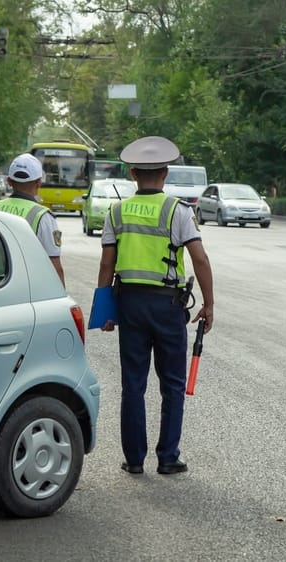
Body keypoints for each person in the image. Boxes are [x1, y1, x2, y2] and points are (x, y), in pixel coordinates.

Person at [97, 136, 214, 476]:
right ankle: (168, 457)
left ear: (133, 174)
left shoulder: (116, 212)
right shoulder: (177, 211)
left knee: (133, 384)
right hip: (167, 306)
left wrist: (105, 310)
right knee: (173, 383)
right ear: (165, 173)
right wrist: (209, 303)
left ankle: (134, 460)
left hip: (129, 304)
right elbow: (200, 259)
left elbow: (107, 265)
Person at [0, 153, 65, 285]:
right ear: (39, 182)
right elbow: (54, 266)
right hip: (25, 290)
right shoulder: (43, 216)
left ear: (9, 181)